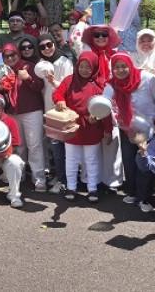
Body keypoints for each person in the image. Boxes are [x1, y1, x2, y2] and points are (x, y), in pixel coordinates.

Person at [104, 53, 155, 212]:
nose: (120, 70)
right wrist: (97, 110)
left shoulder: (148, 79)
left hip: (148, 129)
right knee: (129, 162)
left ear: (130, 65)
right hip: (127, 129)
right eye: (116, 67)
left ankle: (144, 198)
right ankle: (132, 192)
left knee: (144, 164)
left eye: (124, 66)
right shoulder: (113, 84)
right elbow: (105, 103)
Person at [53, 52, 113, 202]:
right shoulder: (69, 80)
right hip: (71, 127)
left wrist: (108, 130)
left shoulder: (98, 85)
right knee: (71, 160)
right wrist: (60, 101)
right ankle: (71, 187)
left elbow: (105, 110)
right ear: (77, 65)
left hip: (91, 129)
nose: (84, 70)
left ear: (94, 68)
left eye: (88, 67)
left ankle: (92, 189)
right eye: (82, 66)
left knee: (91, 160)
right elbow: (58, 93)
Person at [2, 43, 47, 192]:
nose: (10, 58)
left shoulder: (29, 66)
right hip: (13, 112)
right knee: (18, 146)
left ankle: (39, 178)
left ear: (18, 54)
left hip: (31, 110)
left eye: (13, 55)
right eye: (6, 56)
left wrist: (28, 78)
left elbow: (40, 86)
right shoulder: (3, 71)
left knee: (34, 145)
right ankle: (19, 175)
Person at [38, 33, 74, 194]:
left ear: (54, 44)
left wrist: (54, 82)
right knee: (53, 146)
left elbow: (69, 86)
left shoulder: (64, 62)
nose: (46, 49)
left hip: (62, 110)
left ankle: (63, 180)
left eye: (49, 44)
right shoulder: (41, 64)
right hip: (48, 110)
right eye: (42, 47)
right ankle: (58, 175)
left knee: (62, 148)